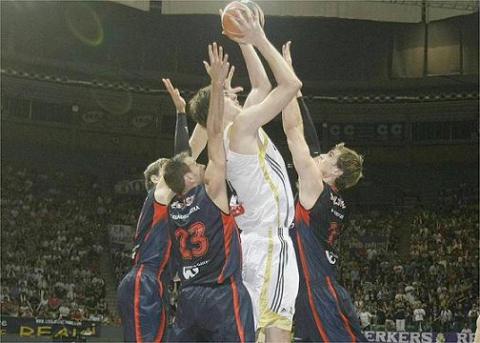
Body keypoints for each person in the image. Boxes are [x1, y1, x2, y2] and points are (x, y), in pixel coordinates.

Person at [188, 9, 302, 342]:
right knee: (275, 329)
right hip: (269, 241)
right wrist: (259, 39)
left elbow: (261, 84)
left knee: (262, 330)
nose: (235, 93)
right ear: (220, 109)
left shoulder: (236, 130)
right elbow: (290, 84)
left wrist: (242, 41)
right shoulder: (239, 130)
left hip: (258, 242)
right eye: (227, 93)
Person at [163, 42, 255, 342]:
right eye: (195, 164)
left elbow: (179, 160)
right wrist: (218, 89)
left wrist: (182, 114)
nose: (198, 161)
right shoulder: (212, 189)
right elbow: (214, 134)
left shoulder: (173, 205)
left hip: (189, 298)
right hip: (221, 293)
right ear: (190, 176)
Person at [280, 41, 366, 342]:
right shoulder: (332, 197)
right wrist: (292, 76)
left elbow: (293, 132)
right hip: (325, 288)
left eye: (329, 157)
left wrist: (286, 83)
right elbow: (312, 141)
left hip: (317, 293)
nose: (321, 156)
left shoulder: (315, 188)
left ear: (336, 171)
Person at [116, 76, 206, 342]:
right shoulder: (158, 196)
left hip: (158, 283)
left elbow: (192, 154)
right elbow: (184, 160)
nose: (176, 173)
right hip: (145, 278)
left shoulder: (174, 204)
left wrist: (207, 111)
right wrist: (180, 113)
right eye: (168, 171)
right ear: (156, 180)